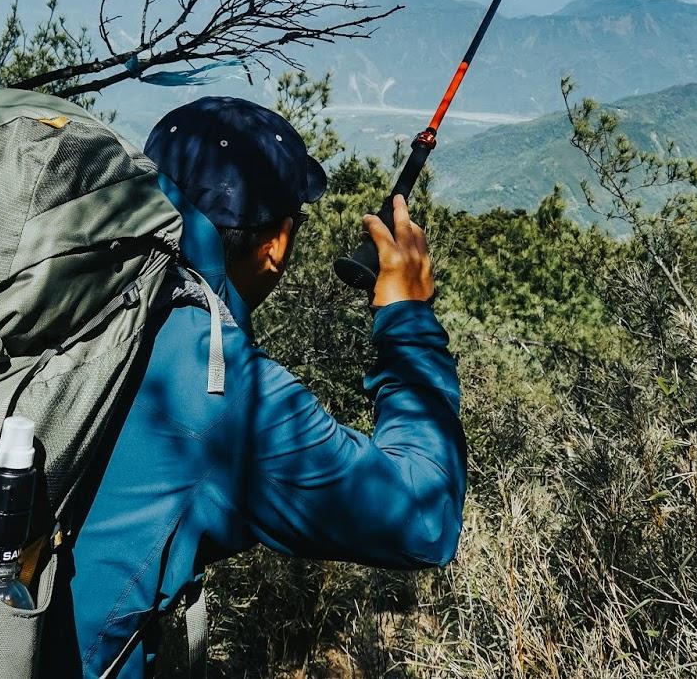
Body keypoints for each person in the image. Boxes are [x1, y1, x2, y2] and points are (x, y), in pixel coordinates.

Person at [40, 96, 467, 678]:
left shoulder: (56, 278)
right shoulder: (222, 394)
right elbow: (424, 517)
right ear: (275, 244)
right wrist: (409, 318)